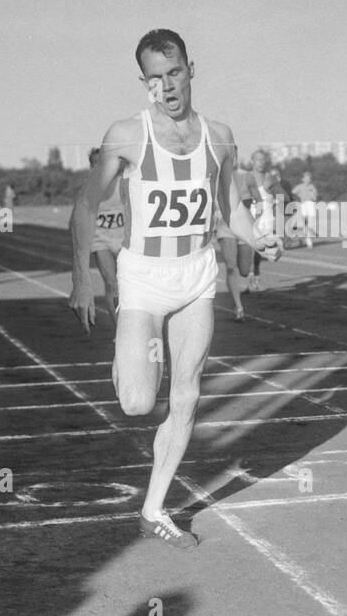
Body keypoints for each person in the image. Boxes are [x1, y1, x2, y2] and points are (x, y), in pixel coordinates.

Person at [69, 29, 282, 549]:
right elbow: (85, 207)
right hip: (142, 281)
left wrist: (261, 239)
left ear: (192, 68)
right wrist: (80, 279)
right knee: (139, 404)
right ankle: (127, 360)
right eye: (155, 79)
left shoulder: (220, 136)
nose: (167, 87)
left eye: (175, 73)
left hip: (195, 276)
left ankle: (154, 508)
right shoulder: (127, 135)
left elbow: (229, 207)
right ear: (144, 82)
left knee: (186, 395)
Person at [86, 146, 126, 322]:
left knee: (130, 286)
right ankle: (119, 329)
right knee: (111, 283)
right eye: (95, 164)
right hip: (101, 240)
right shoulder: (88, 189)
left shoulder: (124, 182)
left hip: (124, 239)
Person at [214, 159, 254, 320]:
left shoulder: (246, 177)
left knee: (244, 269)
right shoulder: (214, 178)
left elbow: (257, 198)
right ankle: (238, 307)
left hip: (244, 226)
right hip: (225, 227)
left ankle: (246, 279)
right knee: (231, 267)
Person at [247, 149, 282, 290]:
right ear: (252, 161)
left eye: (263, 160)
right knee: (250, 249)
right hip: (250, 216)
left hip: (267, 218)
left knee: (262, 250)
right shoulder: (246, 178)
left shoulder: (270, 178)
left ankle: (255, 276)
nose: (261, 163)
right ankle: (252, 277)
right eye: (258, 160)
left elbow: (281, 199)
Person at [290, 170, 319, 248]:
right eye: (306, 178)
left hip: (310, 204)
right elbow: (292, 193)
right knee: (304, 223)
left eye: (309, 178)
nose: (308, 179)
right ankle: (305, 239)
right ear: (303, 179)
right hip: (303, 205)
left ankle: (307, 238)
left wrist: (312, 195)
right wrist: (296, 200)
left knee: (311, 223)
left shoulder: (312, 187)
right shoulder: (299, 186)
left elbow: (315, 197)